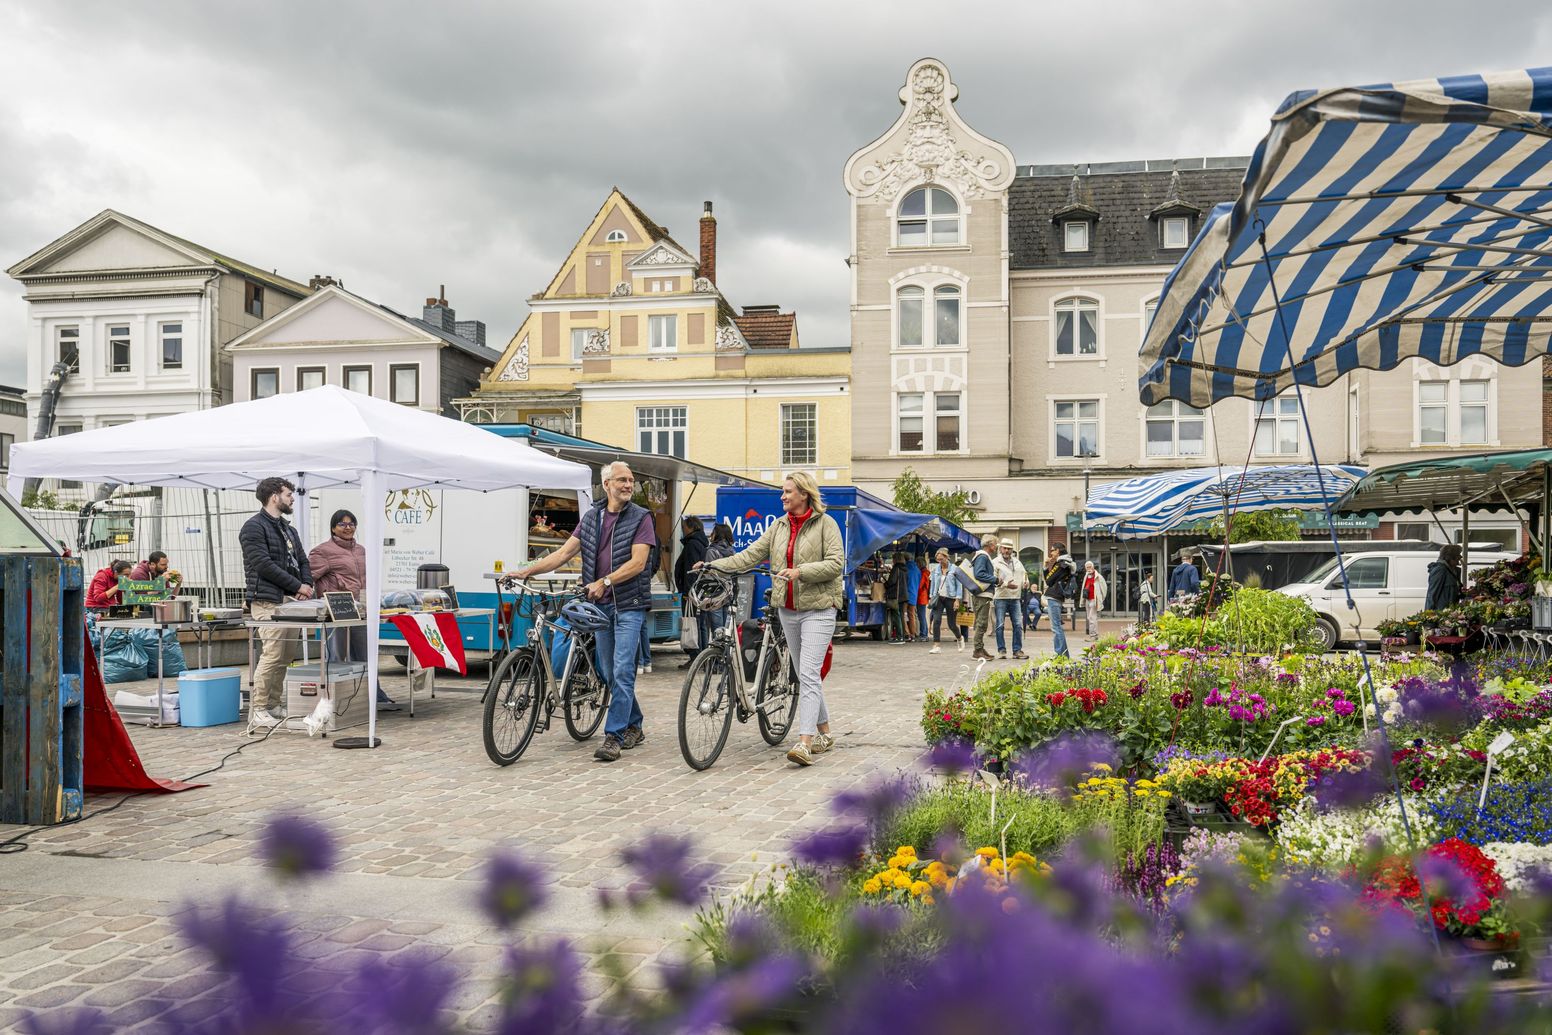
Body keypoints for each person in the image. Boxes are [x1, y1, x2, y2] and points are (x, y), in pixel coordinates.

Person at [512, 461, 654, 763]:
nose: (628, 485)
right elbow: (563, 554)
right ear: (607, 485)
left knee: (622, 670)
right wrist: (525, 572)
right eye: (622, 480)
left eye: (631, 480)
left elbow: (638, 563)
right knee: (607, 671)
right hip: (600, 606)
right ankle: (635, 724)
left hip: (629, 605)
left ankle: (613, 736)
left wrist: (605, 581)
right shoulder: (591, 518)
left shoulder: (642, 518)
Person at [705, 471, 844, 767]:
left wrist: (800, 572)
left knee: (806, 673)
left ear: (804, 494)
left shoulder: (826, 524)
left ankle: (805, 743)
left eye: (788, 492)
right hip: (788, 608)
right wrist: (712, 564)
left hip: (819, 607)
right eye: (783, 492)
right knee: (804, 672)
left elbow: (835, 564)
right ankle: (825, 733)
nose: (782, 496)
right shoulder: (779, 527)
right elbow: (749, 555)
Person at [239, 477, 313, 730]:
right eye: (288, 494)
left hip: (291, 602)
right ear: (274, 496)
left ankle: (272, 704)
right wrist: (297, 586)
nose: (293, 498)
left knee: (285, 656)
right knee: (272, 654)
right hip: (267, 601)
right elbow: (263, 565)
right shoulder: (253, 527)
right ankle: (257, 709)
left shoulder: (288, 528)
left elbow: (303, 560)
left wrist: (306, 585)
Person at [307, 509, 397, 711]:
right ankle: (332, 699)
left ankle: (371, 696)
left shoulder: (361, 550)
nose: (348, 528)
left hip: (361, 610)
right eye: (342, 524)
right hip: (336, 612)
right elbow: (307, 577)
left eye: (351, 524)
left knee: (365, 655)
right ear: (333, 528)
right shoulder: (322, 551)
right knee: (336, 656)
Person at [675, 517, 710, 669]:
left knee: (693, 623)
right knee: (700, 624)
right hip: (700, 591)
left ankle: (696, 657)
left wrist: (689, 592)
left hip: (692, 592)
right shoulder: (701, 543)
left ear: (690, 527)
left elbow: (691, 570)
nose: (682, 529)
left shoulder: (692, 544)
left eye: (684, 527)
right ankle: (702, 656)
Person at [992, 539, 1029, 660]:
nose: (1007, 550)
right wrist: (1006, 584)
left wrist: (1026, 582)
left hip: (1015, 597)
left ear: (1012, 550)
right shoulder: (995, 562)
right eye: (1004, 548)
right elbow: (993, 580)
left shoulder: (1018, 562)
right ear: (1000, 549)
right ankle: (1001, 650)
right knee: (1000, 625)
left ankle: (1017, 650)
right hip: (1001, 597)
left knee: (1018, 625)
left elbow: (1024, 575)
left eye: (1009, 548)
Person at [928, 548, 966, 654]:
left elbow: (959, 585)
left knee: (951, 624)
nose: (940, 562)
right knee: (937, 621)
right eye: (938, 560)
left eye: (941, 559)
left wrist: (957, 600)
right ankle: (936, 645)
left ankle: (959, 638)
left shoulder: (955, 569)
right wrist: (931, 596)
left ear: (946, 557)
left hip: (951, 598)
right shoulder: (935, 570)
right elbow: (933, 584)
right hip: (938, 598)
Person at [1043, 545, 1078, 658]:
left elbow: (1048, 580)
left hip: (1054, 596)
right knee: (1057, 626)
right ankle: (1063, 654)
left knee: (1056, 627)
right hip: (1058, 597)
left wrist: (1046, 566)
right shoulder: (1066, 563)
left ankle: (1060, 655)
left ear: (1058, 551)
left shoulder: (1061, 564)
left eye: (1052, 550)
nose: (1051, 553)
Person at [968, 535, 998, 661]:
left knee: (982, 622)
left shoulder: (981, 556)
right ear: (990, 545)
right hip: (982, 594)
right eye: (995, 544)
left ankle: (980, 648)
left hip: (982, 594)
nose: (996, 546)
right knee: (982, 623)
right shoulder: (982, 556)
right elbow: (979, 573)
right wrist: (995, 579)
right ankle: (977, 650)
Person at [1426, 544, 1464, 610]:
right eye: (1458, 555)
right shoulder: (1440, 570)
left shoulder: (1454, 570)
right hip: (1441, 613)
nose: (1460, 557)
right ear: (1450, 557)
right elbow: (1433, 594)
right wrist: (1428, 614)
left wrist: (1466, 594)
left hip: (1450, 611)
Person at [884, 553, 910, 643]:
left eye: (893, 559)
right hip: (904, 595)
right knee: (901, 615)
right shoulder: (905, 569)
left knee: (896, 615)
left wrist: (885, 584)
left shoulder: (896, 568)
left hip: (896, 595)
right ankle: (902, 635)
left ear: (895, 559)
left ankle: (899, 637)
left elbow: (892, 581)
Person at [1081, 561, 1108, 639]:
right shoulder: (1086, 576)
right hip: (1087, 599)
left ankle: (1094, 635)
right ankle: (1093, 634)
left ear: (1093, 567)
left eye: (1090, 567)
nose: (1089, 569)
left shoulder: (1098, 576)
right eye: (1087, 567)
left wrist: (1100, 599)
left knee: (1092, 617)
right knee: (1089, 617)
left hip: (1094, 599)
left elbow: (1104, 588)